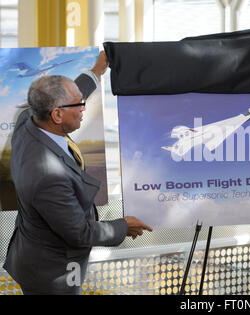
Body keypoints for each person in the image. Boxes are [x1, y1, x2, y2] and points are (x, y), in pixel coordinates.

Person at [3, 51, 152, 295]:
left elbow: (68, 95)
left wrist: (96, 71)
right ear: (57, 114)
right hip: (52, 273)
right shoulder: (47, 175)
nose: (84, 106)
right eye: (78, 104)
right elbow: (80, 233)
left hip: (33, 251)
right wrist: (123, 227)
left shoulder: (27, 120)